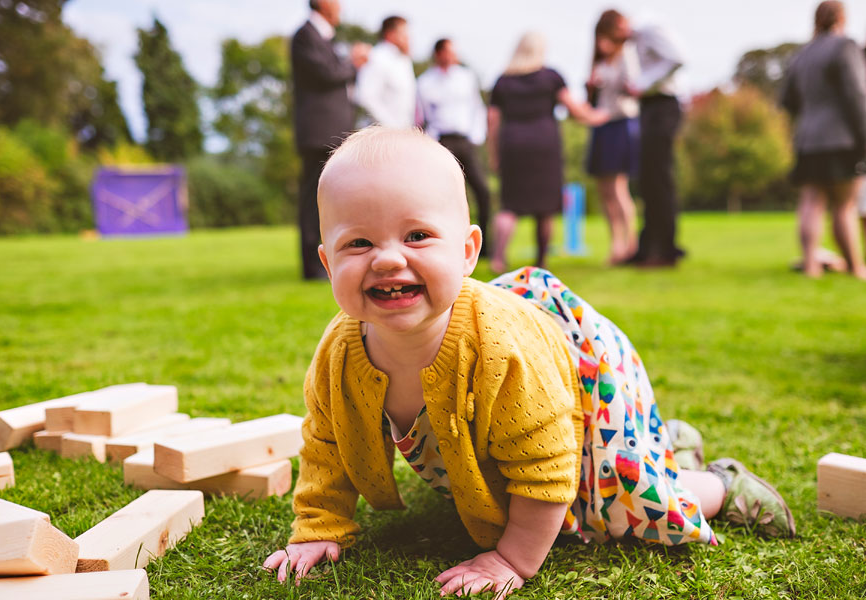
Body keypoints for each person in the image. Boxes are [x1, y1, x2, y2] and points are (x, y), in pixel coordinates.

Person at [262, 127, 795, 596]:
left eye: (417, 235)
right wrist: (319, 528)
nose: (387, 258)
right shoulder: (338, 354)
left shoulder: (498, 348)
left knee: (616, 505)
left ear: (468, 252)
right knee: (514, 479)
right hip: (525, 416)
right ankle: (668, 441)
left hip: (578, 380)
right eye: (358, 242)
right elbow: (328, 446)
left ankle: (719, 485)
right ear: (328, 261)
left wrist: (512, 558)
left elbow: (545, 468)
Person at [487, 32, 605, 274]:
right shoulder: (551, 77)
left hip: (513, 145)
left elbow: (492, 120)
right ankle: (541, 262)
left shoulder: (503, 81)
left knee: (510, 204)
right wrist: (598, 116)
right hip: (544, 145)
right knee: (545, 207)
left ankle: (498, 257)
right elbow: (573, 108)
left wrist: (493, 153)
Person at [780, 0, 866, 280]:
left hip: (807, 138)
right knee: (844, 205)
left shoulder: (802, 54)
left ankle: (811, 266)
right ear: (841, 19)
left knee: (811, 201)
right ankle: (855, 267)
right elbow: (856, 95)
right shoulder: (845, 47)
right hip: (840, 138)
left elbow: (787, 100)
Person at [290, 0, 370, 280]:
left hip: (332, 130)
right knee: (314, 199)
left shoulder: (325, 38)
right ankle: (313, 267)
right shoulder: (305, 36)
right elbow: (327, 74)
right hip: (318, 132)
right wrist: (354, 63)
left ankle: (325, 261)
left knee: (327, 198)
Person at [619, 16, 687, 267]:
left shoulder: (651, 30)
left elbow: (678, 58)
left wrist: (641, 85)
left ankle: (665, 250)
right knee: (648, 180)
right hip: (648, 107)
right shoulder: (635, 43)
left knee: (658, 178)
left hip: (663, 106)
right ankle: (647, 247)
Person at [417, 38, 492, 256]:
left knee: (482, 190)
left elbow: (477, 107)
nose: (453, 56)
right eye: (448, 52)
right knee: (441, 194)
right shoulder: (425, 82)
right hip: (440, 141)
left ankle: (485, 246)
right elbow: (421, 115)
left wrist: (476, 137)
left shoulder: (466, 77)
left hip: (465, 140)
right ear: (439, 54)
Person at [585, 10, 641, 265]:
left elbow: (633, 89)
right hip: (601, 127)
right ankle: (615, 244)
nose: (602, 43)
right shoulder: (598, 62)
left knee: (619, 188)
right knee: (604, 190)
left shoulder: (627, 56)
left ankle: (631, 245)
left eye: (605, 37)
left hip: (620, 124)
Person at [355, 16, 416, 128]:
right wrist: (391, 127)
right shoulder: (377, 57)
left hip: (402, 133)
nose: (408, 37)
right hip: (381, 135)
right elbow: (366, 97)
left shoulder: (404, 60)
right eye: (404, 32)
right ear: (390, 34)